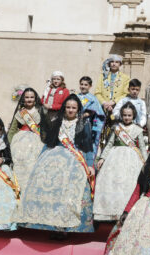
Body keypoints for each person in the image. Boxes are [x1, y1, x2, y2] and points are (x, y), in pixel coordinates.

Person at [17, 95, 96, 234]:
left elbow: (88, 145)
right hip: (53, 157)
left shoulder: (84, 123)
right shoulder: (57, 121)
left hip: (74, 159)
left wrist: (90, 165)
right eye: (68, 107)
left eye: (73, 108)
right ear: (64, 108)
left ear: (78, 109)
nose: (70, 110)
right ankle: (49, 223)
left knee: (69, 191)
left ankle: (64, 226)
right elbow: (50, 142)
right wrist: (40, 159)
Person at [94, 102, 147, 222]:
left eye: (129, 115)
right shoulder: (116, 128)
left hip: (132, 158)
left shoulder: (137, 129)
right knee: (113, 183)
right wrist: (102, 158)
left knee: (129, 184)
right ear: (121, 115)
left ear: (133, 116)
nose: (127, 118)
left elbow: (142, 147)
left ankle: (127, 211)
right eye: (124, 115)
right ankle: (113, 212)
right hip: (114, 158)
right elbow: (110, 144)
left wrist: (146, 162)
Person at [6, 88, 45, 193]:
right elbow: (12, 130)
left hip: (36, 143)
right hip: (19, 145)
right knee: (20, 168)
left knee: (33, 168)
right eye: (27, 97)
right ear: (23, 98)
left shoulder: (40, 111)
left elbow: (45, 129)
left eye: (31, 97)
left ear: (35, 98)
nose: (29, 99)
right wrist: (11, 145)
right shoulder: (20, 113)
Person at [76, 76, 106, 156]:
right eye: (81, 84)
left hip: (87, 123)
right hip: (75, 123)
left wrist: (84, 115)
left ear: (90, 86)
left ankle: (87, 160)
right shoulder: (76, 96)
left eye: (85, 85)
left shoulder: (93, 98)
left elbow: (95, 111)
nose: (83, 86)